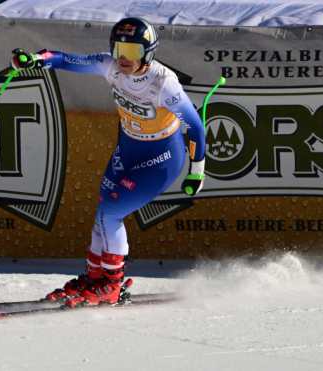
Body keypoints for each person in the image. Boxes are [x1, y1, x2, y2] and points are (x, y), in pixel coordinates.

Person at [11, 17, 206, 307]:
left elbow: (195, 127)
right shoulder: (110, 66)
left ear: (148, 53)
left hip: (161, 157)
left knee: (112, 212)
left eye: (133, 52)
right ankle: (95, 279)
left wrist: (196, 173)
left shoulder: (164, 84)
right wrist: (35, 60)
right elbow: (66, 60)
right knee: (103, 211)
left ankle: (112, 285)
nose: (124, 60)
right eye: (119, 50)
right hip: (128, 148)